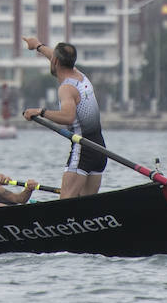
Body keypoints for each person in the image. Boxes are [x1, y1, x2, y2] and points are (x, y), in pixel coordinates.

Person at [22, 37, 108, 199]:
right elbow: (55, 56)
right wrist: (38, 46)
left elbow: (68, 117)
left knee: (65, 203)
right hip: (100, 149)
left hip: (83, 149)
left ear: (55, 61)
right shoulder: (80, 75)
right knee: (86, 207)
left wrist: (40, 112)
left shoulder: (66, 88)